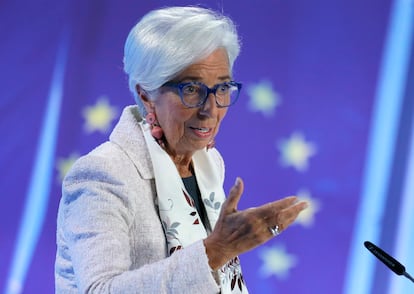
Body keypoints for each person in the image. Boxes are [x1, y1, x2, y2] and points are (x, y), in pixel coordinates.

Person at [54, 6, 308, 294]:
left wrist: (220, 249)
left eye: (222, 88)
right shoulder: (103, 173)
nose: (210, 109)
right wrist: (215, 250)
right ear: (146, 95)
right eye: (191, 89)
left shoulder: (208, 163)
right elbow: (99, 290)